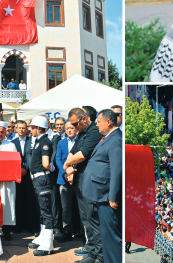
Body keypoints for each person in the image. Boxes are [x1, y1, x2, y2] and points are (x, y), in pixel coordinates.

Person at [81, 110, 121, 263]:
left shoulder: (116, 139)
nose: (96, 124)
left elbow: (117, 170)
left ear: (108, 122)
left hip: (107, 196)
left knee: (111, 237)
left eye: (98, 121)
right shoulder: (108, 138)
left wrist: (113, 196)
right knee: (106, 235)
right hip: (100, 193)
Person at [64, 107, 104, 263]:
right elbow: (73, 152)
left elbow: (83, 154)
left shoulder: (94, 131)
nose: (73, 128)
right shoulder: (81, 133)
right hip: (79, 180)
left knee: (93, 219)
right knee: (86, 218)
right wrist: (68, 168)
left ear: (84, 119)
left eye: (75, 124)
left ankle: (98, 255)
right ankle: (92, 251)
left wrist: (68, 163)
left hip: (90, 182)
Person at [26, 116, 55, 256]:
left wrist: (51, 167)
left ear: (39, 128)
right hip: (37, 179)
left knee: (46, 211)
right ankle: (43, 237)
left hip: (42, 178)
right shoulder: (39, 141)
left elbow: (45, 163)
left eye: (32, 127)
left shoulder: (44, 142)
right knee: (42, 210)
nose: (30, 130)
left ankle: (48, 243)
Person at [12, 120, 40, 234]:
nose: (22, 130)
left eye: (24, 128)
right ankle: (19, 226)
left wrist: (26, 169)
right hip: (17, 176)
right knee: (18, 201)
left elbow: (33, 157)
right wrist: (18, 170)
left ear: (27, 129)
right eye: (19, 128)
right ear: (16, 129)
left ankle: (31, 226)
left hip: (29, 175)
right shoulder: (12, 143)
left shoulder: (32, 141)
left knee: (30, 201)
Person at [55, 121, 78, 243]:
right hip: (63, 179)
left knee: (80, 207)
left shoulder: (81, 141)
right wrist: (65, 173)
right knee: (66, 207)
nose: (69, 130)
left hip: (78, 177)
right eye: (67, 128)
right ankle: (67, 231)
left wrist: (73, 172)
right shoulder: (61, 142)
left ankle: (80, 232)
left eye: (71, 128)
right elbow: (58, 159)